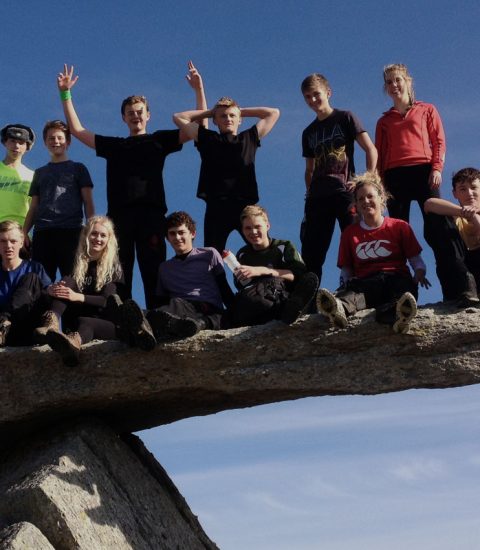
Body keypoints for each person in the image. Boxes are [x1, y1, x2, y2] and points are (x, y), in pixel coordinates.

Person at [57, 64, 192, 309]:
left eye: (139, 111)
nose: (135, 115)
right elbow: (77, 130)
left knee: (153, 270)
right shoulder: (115, 146)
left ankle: (158, 318)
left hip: (151, 214)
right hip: (119, 218)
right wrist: (65, 94)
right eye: (130, 112)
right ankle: (120, 321)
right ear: (123, 117)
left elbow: (195, 131)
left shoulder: (159, 140)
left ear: (148, 114)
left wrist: (198, 89)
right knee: (119, 274)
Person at [375, 63, 476, 302]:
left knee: (438, 229)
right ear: (385, 88)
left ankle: (459, 287)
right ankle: (400, 294)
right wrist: (380, 186)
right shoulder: (384, 121)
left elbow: (438, 141)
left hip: (424, 172)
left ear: (408, 81)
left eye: (397, 80)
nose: (394, 85)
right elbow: (380, 154)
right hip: (394, 177)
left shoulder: (426, 109)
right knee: (397, 232)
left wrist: (437, 168)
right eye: (389, 82)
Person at [173, 63, 280, 252]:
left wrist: (240, 110)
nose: (228, 118)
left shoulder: (249, 137)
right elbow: (179, 117)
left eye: (232, 116)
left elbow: (273, 113)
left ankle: (268, 279)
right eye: (222, 116)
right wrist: (210, 109)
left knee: (262, 248)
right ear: (215, 120)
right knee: (212, 254)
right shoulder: (209, 139)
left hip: (245, 205)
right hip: (216, 204)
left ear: (239, 119)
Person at [317, 172, 430, 333]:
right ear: (355, 203)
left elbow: (415, 259)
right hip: (365, 283)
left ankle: (399, 316)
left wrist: (419, 272)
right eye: (361, 199)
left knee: (403, 293)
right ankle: (338, 309)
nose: (366, 201)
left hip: (396, 278)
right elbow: (346, 269)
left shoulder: (399, 226)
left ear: (381, 198)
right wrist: (343, 287)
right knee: (352, 295)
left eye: (370, 196)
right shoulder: (350, 233)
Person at [38, 216, 155, 367]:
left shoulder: (115, 268)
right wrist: (53, 290)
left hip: (105, 324)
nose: (97, 238)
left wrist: (77, 296)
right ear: (86, 235)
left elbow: (107, 301)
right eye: (94, 234)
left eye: (103, 235)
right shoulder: (77, 264)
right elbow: (65, 291)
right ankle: (51, 323)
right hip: (76, 321)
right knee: (67, 282)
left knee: (86, 322)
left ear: (109, 240)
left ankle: (73, 347)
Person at [300, 73, 377, 284]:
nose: (313, 100)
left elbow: (370, 149)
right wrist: (309, 193)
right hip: (317, 197)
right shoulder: (308, 132)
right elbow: (309, 169)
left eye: (316, 94)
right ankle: (308, 298)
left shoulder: (345, 117)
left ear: (328, 92)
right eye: (308, 97)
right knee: (312, 250)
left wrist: (368, 179)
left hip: (344, 191)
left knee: (355, 239)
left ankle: (361, 287)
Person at [23, 120, 95, 282]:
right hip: (43, 232)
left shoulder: (78, 168)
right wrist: (24, 231)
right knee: (40, 281)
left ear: (67, 141)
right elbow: (34, 206)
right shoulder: (40, 173)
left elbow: (88, 201)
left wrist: (90, 229)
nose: (55, 141)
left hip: (71, 230)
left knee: (73, 278)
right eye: (51, 138)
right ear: (45, 142)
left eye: (59, 138)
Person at [144, 211, 234, 338]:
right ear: (167, 238)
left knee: (176, 305)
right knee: (166, 310)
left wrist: (234, 314)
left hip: (205, 308)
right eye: (172, 233)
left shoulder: (209, 254)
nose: (177, 237)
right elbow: (160, 301)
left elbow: (224, 287)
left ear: (192, 234)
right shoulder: (165, 268)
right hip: (178, 312)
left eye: (181, 232)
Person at [231, 205, 318, 326]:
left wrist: (262, 270)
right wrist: (241, 277)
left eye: (257, 227)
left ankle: (293, 307)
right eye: (248, 228)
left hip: (281, 293)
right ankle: (285, 311)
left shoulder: (283, 246)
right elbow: (240, 285)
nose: (253, 232)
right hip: (257, 300)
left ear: (267, 226)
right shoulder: (242, 254)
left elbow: (299, 275)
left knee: (308, 279)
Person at [425, 167, 480, 293]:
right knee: (437, 219)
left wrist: (475, 217)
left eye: (474, 187)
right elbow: (429, 204)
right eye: (463, 189)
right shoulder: (455, 216)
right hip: (461, 273)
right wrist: (464, 212)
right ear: (455, 193)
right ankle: (465, 285)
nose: (469, 193)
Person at [0, 220, 51, 347]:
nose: (8, 246)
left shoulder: (35, 268)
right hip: (5, 335)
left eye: (13, 241)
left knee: (32, 278)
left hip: (28, 327)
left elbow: (49, 298)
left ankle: (4, 322)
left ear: (21, 242)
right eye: (3, 241)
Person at [0, 124, 35, 225]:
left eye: (21, 143)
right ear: (5, 142)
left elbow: (34, 209)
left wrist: (25, 231)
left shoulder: (32, 176)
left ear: (27, 147)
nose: (16, 146)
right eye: (12, 141)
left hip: (18, 234)